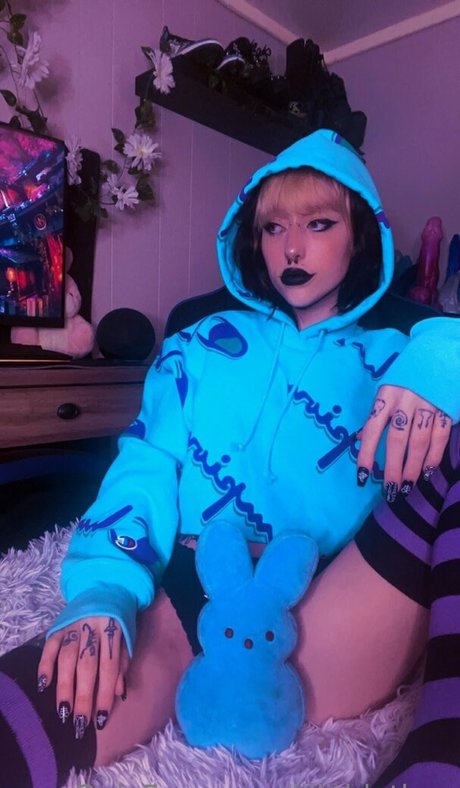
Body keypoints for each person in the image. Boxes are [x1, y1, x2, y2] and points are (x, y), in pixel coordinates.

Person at [1, 128, 459, 787]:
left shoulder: (398, 356)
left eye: (319, 224)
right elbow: (147, 463)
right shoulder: (197, 345)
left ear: (360, 235)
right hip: (199, 589)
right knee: (72, 672)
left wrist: (442, 358)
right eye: (274, 228)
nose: (292, 247)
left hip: (329, 610)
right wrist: (104, 586)